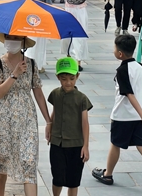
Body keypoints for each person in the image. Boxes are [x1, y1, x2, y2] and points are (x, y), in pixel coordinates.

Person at [0, 34, 51, 196]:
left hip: (26, 118)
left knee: (29, 162)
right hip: (2, 118)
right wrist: (14, 74)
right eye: (9, 37)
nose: (11, 41)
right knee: (1, 162)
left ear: (23, 41)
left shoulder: (32, 64)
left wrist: (48, 121)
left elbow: (38, 93)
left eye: (16, 38)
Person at [91, 34, 142, 195]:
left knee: (115, 144)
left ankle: (108, 174)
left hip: (123, 116)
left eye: (114, 48)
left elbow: (129, 94)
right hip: (138, 118)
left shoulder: (122, 70)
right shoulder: (139, 66)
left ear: (119, 54)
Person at [46, 57, 92, 196]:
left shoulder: (81, 98)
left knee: (73, 180)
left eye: (72, 78)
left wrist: (85, 146)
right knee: (57, 177)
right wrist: (49, 126)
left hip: (76, 144)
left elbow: (85, 122)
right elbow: (55, 111)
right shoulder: (55, 94)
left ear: (77, 76)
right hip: (57, 143)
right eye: (64, 78)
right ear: (58, 77)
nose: (68, 82)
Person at [20, 0, 52, 72]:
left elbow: (19, 5)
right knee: (40, 43)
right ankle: (38, 65)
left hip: (27, 20)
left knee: (28, 42)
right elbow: (49, 6)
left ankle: (26, 64)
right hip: (40, 19)